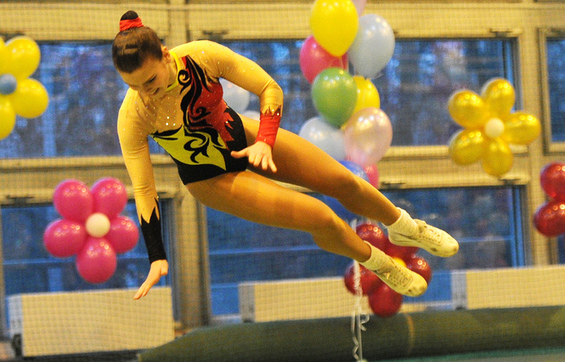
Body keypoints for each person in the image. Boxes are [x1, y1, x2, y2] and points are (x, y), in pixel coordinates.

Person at [112, 11, 459, 301]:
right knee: (322, 217)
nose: (144, 92)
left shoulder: (201, 56)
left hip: (246, 135)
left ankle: (405, 227)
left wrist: (265, 140)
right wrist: (156, 255)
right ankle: (381, 265)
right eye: (133, 86)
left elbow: (269, 88)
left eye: (149, 80)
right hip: (211, 178)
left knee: (343, 180)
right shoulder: (133, 116)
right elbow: (144, 190)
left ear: (165, 55)